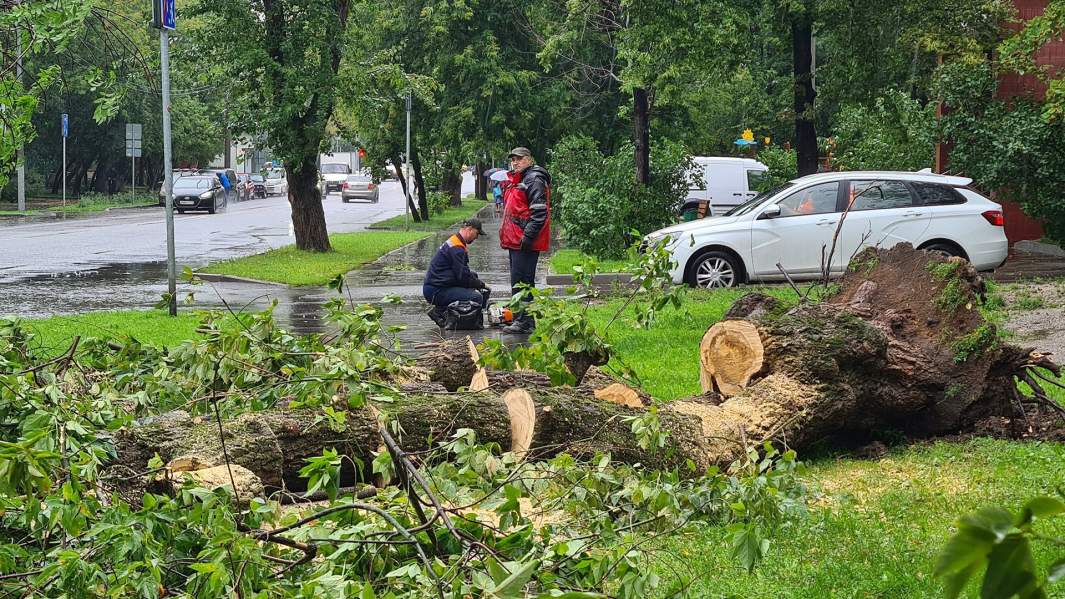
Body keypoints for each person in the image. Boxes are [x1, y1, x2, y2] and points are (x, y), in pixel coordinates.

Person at [499, 147, 551, 334]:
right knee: (521, 281)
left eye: (519, 159)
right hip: (517, 240)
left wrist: (527, 238)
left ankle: (524, 322)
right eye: (513, 159)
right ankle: (523, 320)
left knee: (522, 282)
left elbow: (539, 213)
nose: (515, 162)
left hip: (524, 242)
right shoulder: (522, 178)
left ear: (529, 159)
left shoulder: (533, 179)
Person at [423, 218, 490, 326]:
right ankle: (444, 313)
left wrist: (476, 282)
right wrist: (482, 285)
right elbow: (463, 278)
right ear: (469, 229)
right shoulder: (456, 248)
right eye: (477, 233)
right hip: (436, 290)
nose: (477, 237)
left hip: (437, 286)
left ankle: (441, 309)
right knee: (477, 297)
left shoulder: (455, 241)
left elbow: (464, 273)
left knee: (474, 276)